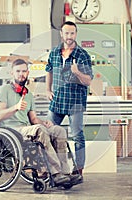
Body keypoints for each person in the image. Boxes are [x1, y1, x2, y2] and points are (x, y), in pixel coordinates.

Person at [0, 58, 81, 186]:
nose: (21, 74)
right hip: (12, 131)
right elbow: (0, 115)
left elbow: (34, 119)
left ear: (28, 73)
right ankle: (56, 173)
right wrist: (15, 107)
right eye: (18, 71)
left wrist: (45, 122)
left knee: (58, 130)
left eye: (24, 71)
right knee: (39, 130)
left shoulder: (28, 94)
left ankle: (65, 173)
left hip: (27, 128)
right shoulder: (3, 90)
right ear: (11, 73)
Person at [45, 21, 93, 177]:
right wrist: (47, 89)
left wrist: (77, 72)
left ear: (76, 34)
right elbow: (49, 71)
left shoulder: (82, 55)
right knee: (48, 133)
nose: (69, 36)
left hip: (75, 102)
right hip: (57, 100)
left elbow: (88, 81)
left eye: (72, 33)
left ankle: (78, 169)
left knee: (77, 136)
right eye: (66, 33)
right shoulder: (54, 53)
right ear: (61, 34)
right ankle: (51, 169)